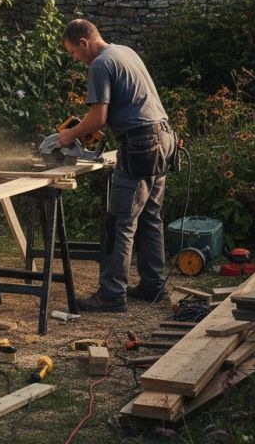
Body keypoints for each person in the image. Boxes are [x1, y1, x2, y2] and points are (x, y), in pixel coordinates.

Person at [58, 19, 177, 312]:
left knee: (121, 221)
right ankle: (153, 285)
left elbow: (98, 118)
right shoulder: (125, 51)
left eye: (73, 52)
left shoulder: (100, 64)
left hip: (141, 144)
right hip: (163, 137)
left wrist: (70, 135)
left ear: (84, 43)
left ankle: (111, 295)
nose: (75, 59)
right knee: (150, 217)